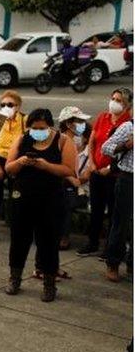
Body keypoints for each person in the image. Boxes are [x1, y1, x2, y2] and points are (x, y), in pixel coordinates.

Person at [4, 109, 77, 302]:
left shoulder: (62, 141)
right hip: (23, 197)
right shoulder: (22, 139)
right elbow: (9, 168)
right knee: (19, 239)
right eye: (34, 128)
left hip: (50, 199)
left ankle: (49, 283)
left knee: (48, 243)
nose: (37, 131)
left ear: (50, 126)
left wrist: (46, 166)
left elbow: (69, 170)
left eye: (42, 128)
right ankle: (15, 278)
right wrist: (20, 162)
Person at [78, 88, 132, 257]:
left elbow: (123, 150)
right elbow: (93, 141)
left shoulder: (127, 123)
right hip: (96, 170)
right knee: (96, 209)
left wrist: (108, 169)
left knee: (114, 211)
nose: (115, 103)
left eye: (120, 101)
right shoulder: (103, 117)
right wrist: (92, 163)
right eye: (113, 98)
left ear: (128, 105)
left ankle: (110, 247)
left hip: (115, 174)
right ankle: (92, 242)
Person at [0, 90, 27, 242]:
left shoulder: (25, 121)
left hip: (16, 161)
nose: (6, 107)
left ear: (18, 106)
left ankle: (18, 230)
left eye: (10, 104)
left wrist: (18, 164)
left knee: (17, 198)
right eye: (3, 104)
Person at [102, 117, 133, 282]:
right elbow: (105, 148)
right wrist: (124, 146)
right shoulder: (128, 127)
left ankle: (131, 264)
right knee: (121, 223)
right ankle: (113, 263)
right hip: (128, 178)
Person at [57, 106, 92, 251]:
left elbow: (83, 176)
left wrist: (74, 180)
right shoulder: (60, 142)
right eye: (78, 121)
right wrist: (72, 179)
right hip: (63, 185)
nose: (81, 125)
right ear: (68, 124)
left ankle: (63, 237)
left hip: (78, 191)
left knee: (65, 198)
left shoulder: (80, 144)